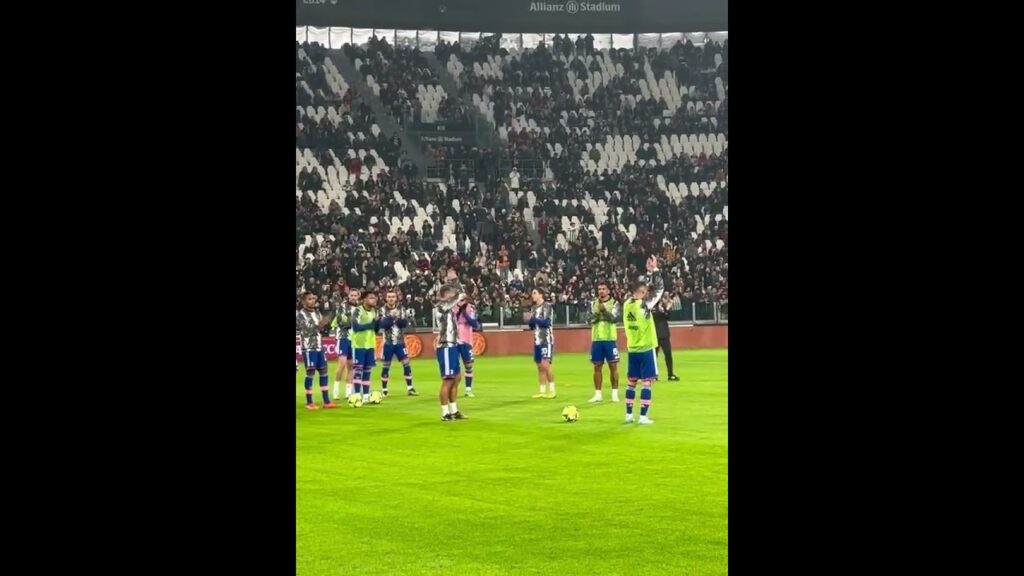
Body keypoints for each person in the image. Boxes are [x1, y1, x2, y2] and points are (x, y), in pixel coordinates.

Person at [621, 256, 664, 425]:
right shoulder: (644, 306)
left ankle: (628, 415)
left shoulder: (626, 304)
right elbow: (659, 289)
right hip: (646, 348)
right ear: (643, 293)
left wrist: (647, 273)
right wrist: (654, 270)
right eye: (646, 292)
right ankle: (643, 416)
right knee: (647, 382)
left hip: (632, 348)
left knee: (631, 382)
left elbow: (643, 288)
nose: (648, 293)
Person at [296, 292, 337, 410]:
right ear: (303, 302)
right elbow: (307, 331)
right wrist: (319, 324)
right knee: (310, 373)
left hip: (319, 347)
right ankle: (309, 402)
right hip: (309, 348)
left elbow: (320, 329)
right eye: (309, 299)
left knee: (324, 372)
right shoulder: (300, 315)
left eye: (313, 298)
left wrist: (325, 323)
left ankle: (326, 401)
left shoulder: (317, 312)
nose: (312, 301)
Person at [434, 285, 467, 421]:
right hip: (446, 346)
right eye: (451, 294)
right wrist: (459, 295)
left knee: (456, 378)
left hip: (453, 345)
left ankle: (454, 410)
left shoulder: (449, 310)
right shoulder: (440, 307)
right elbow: (454, 300)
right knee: (447, 380)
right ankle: (444, 412)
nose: (454, 297)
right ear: (445, 296)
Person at [379, 290, 417, 396]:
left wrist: (395, 318)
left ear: (396, 298)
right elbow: (384, 325)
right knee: (386, 365)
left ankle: (410, 388)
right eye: (389, 296)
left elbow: (404, 324)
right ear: (386, 298)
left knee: (406, 362)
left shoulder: (402, 309)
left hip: (400, 342)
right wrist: (393, 317)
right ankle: (384, 390)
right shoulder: (382, 310)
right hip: (388, 342)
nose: (391, 298)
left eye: (393, 296)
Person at [588, 281, 621, 403]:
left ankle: (614, 393)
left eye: (603, 289)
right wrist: (599, 313)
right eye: (599, 289)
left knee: (613, 366)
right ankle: (598, 394)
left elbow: (614, 319)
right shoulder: (593, 303)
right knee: (597, 367)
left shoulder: (614, 303)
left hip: (610, 338)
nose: (601, 291)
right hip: (596, 339)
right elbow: (589, 319)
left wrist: (604, 312)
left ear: (608, 291)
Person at [350, 290, 380, 402]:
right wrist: (370, 324)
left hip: (370, 344)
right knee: (358, 370)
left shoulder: (375, 311)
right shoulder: (358, 310)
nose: (374, 299)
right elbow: (356, 327)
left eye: (374, 297)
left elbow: (376, 330)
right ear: (364, 299)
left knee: (367, 371)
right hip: (359, 345)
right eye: (371, 298)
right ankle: (357, 395)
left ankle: (366, 396)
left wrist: (377, 323)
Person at [331, 288, 360, 400]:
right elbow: (341, 321)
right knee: (342, 364)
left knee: (351, 365)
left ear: (358, 296)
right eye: (351, 295)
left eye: (355, 295)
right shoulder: (342, 306)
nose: (353, 297)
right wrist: (354, 323)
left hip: (354, 339)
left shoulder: (359, 309)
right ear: (349, 296)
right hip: (343, 337)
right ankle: (336, 390)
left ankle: (348, 391)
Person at [528, 288, 556, 399]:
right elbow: (532, 327)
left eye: (534, 293)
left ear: (541, 295)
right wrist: (530, 321)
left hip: (546, 340)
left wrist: (534, 319)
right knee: (539, 366)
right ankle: (542, 391)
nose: (532, 295)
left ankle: (552, 390)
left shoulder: (547, 307)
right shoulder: (534, 308)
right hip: (537, 340)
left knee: (545, 364)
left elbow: (547, 322)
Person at [455, 295, 481, 397]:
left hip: (466, 339)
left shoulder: (470, 308)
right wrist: (458, 310)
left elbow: (474, 323)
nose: (460, 301)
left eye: (462, 299)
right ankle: (454, 389)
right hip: (454, 340)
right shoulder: (453, 308)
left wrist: (464, 313)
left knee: (468, 365)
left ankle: (468, 389)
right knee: (455, 365)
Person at [653, 294, 680, 381]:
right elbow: (656, 316)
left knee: (668, 355)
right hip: (655, 335)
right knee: (654, 356)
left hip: (664, 334)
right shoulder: (652, 308)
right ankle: (654, 375)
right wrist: (665, 309)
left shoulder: (662, 307)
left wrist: (666, 309)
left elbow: (668, 317)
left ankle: (670, 374)